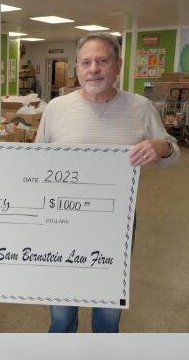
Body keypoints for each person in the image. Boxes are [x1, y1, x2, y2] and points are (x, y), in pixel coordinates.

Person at [34, 32, 181, 333]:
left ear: (117, 65)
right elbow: (37, 164)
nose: (93, 69)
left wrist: (161, 147)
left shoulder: (140, 108)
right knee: (61, 314)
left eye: (102, 61)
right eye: (86, 62)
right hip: (62, 222)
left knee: (108, 313)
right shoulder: (56, 109)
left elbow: (172, 154)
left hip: (116, 224)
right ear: (77, 68)